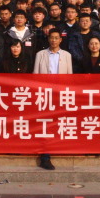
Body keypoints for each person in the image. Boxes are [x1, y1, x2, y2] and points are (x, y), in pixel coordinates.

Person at [33, 28, 73, 170]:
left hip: (60, 94)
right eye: (52, 38)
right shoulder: (40, 54)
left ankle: (58, 148)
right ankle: (45, 156)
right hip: (44, 94)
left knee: (58, 124)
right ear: (48, 39)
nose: (54, 40)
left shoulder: (67, 55)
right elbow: (35, 75)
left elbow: (70, 77)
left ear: (60, 40)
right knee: (45, 125)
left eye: (56, 38)